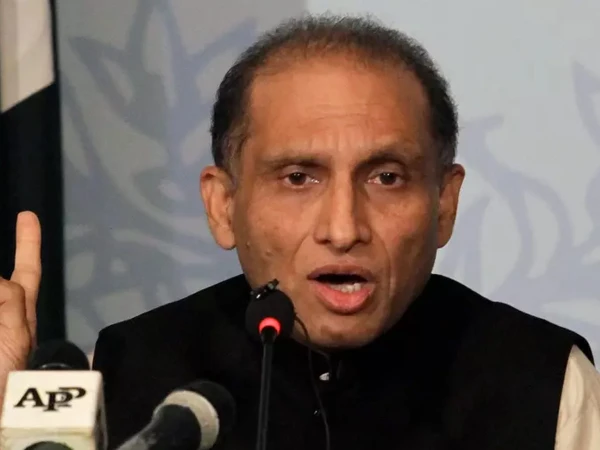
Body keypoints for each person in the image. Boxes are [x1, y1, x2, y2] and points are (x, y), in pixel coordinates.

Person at [1, 14, 600, 449]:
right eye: (298, 178)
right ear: (223, 205)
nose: (343, 229)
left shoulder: (544, 382)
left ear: (444, 203)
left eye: (387, 177)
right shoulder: (127, 372)